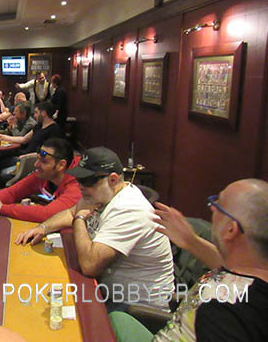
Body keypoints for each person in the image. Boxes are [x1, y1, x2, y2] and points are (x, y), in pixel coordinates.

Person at [15, 147, 174, 311]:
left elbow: (90, 265)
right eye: (79, 180)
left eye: (88, 181)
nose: (81, 187)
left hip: (132, 306)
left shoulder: (128, 210)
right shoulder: (102, 193)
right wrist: (43, 228)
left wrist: (79, 220)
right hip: (106, 289)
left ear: (113, 180)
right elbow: (71, 212)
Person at [131, 178, 268, 342]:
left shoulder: (221, 313)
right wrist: (191, 241)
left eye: (219, 205)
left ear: (231, 230)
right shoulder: (248, 267)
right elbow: (227, 265)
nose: (212, 207)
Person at [0, 138, 81, 222]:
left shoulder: (79, 185)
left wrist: (2, 208)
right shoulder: (44, 175)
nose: (36, 164)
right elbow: (13, 192)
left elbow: (48, 214)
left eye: (43, 161)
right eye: (37, 159)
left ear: (61, 165)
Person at [0, 100, 64, 155]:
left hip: (31, 159)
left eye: (36, 112)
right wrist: (3, 137)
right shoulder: (38, 126)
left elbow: (48, 153)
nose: (34, 115)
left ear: (43, 113)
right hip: (24, 154)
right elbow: (23, 139)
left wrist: (24, 157)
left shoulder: (54, 130)